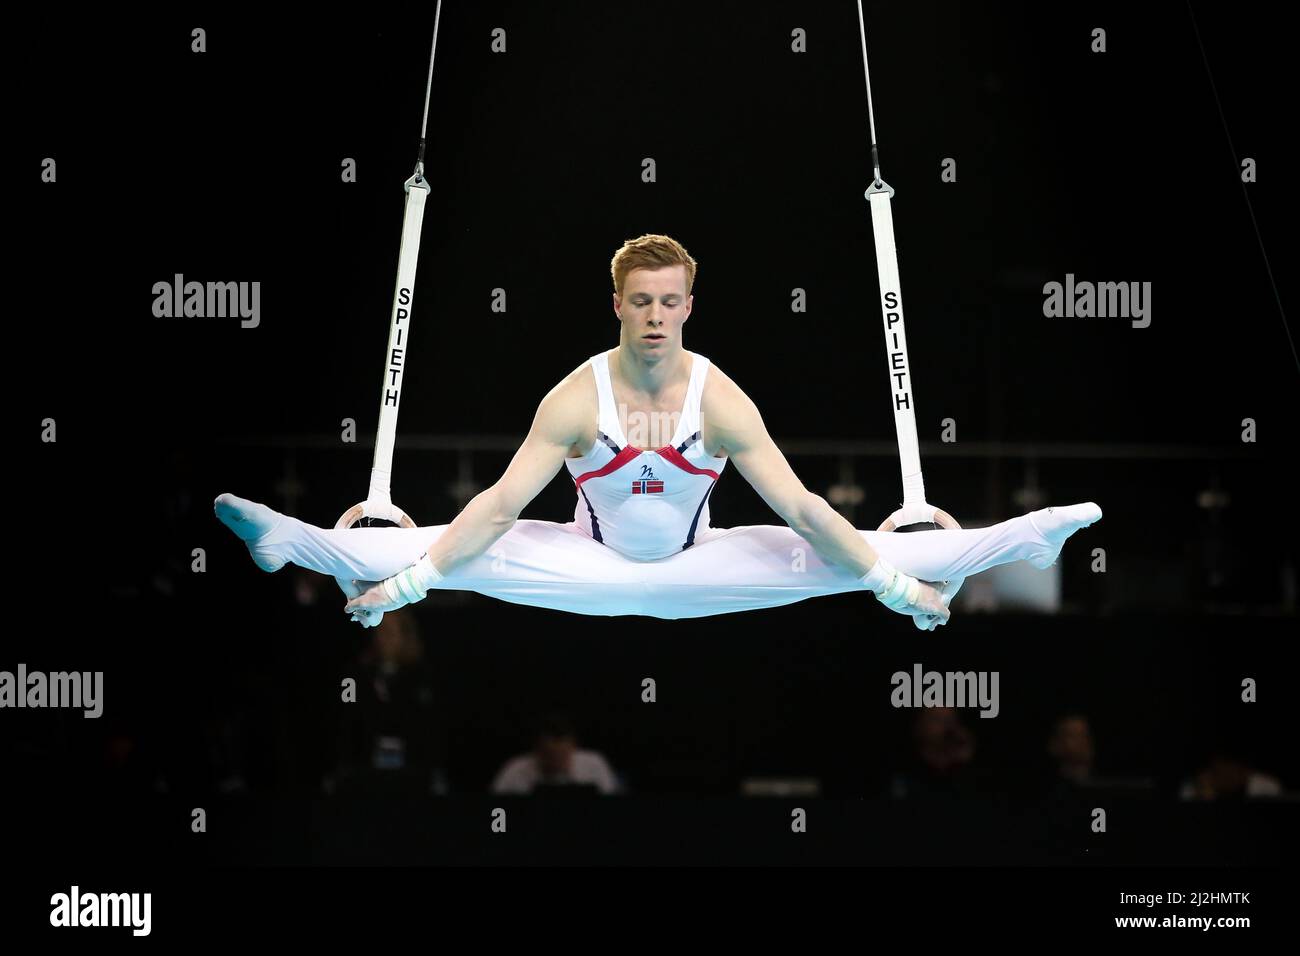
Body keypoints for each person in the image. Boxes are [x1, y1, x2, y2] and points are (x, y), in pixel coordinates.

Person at [215, 234, 1101, 626]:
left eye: (669, 301)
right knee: (449, 546)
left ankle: (1027, 540)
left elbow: (802, 509)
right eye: (640, 301)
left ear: (688, 307)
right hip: (580, 561)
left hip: (699, 563)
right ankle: (286, 541)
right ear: (617, 304)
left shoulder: (721, 401)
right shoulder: (575, 398)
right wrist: (409, 588)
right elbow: (493, 507)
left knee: (866, 555)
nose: (654, 316)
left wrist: (897, 592)